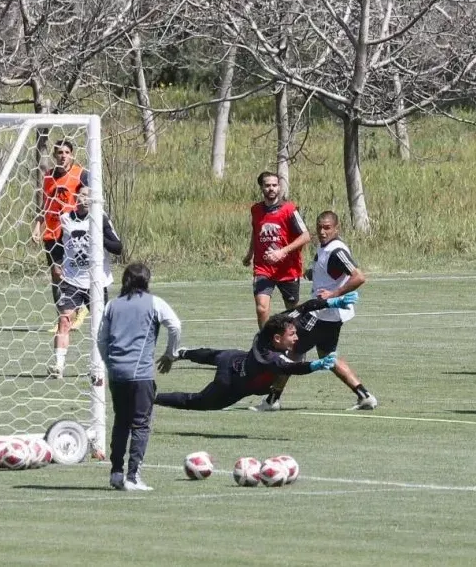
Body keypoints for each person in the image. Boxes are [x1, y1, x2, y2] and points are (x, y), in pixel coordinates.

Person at [251, 210, 376, 412]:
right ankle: (364, 396)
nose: (322, 232)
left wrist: (334, 294)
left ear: (336, 228)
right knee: (328, 356)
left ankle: (272, 400)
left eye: (327, 228)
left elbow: (359, 277)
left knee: (290, 352)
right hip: (330, 317)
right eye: (319, 227)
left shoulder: (337, 250)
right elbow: (330, 272)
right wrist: (312, 272)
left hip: (320, 315)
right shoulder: (325, 247)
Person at [153, 299, 355, 412]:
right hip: (230, 385)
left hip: (233, 358)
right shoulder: (270, 358)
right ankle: (153, 398)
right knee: (196, 401)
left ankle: (182, 353)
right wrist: (316, 365)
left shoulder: (272, 328)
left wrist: (332, 302)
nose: (296, 338)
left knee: (214, 355)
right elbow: (292, 367)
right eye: (292, 335)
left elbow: (304, 308)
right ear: (277, 338)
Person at [98, 263, 182, 492]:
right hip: (140, 374)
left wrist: (110, 364)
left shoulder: (112, 305)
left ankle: (116, 473)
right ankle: (133, 477)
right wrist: (170, 354)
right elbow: (175, 325)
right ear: (146, 281)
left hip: (117, 374)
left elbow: (101, 339)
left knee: (121, 422)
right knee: (141, 424)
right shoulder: (154, 302)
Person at [47, 186, 123, 379]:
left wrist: (99, 235)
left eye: (89, 196)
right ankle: (58, 366)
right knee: (64, 319)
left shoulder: (101, 219)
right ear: (76, 198)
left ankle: (98, 365)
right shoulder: (66, 219)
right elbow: (56, 245)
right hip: (72, 279)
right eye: (82, 195)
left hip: (96, 281)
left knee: (100, 326)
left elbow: (118, 247)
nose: (85, 199)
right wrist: (56, 263)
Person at [31, 139, 91, 331]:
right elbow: (44, 205)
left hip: (72, 232)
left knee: (71, 272)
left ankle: (76, 311)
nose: (63, 156)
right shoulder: (48, 177)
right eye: (59, 152)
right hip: (52, 231)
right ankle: (63, 319)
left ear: (72, 155)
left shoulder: (81, 174)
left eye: (66, 152)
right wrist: (37, 226)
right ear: (54, 155)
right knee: (56, 274)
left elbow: (88, 199)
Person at [242, 171, 310, 328]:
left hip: (288, 269)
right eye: (267, 185)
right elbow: (256, 231)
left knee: (293, 310)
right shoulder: (256, 210)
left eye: (274, 185)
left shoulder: (289, 209)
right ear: (261, 187)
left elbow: (306, 236)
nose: (271, 188)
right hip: (263, 268)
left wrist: (282, 251)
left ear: (279, 187)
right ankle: (265, 340)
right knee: (261, 308)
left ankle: (294, 339)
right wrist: (250, 253)